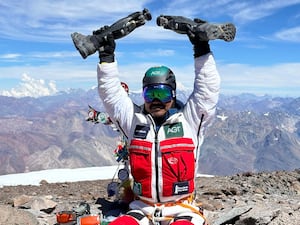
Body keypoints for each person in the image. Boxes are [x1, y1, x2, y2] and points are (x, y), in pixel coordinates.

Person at [93, 20, 221, 225]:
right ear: (143, 94)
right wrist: (106, 56)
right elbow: (111, 95)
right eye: (150, 93)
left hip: (182, 209)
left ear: (173, 94)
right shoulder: (133, 121)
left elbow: (207, 91)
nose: (156, 100)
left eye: (162, 92)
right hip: (142, 208)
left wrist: (201, 47)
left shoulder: (190, 120)